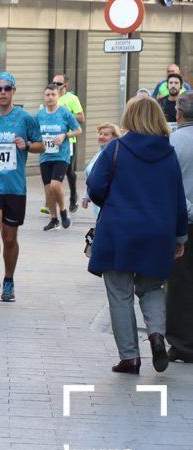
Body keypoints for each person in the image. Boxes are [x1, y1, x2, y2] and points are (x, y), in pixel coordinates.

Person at [87, 97, 187, 375]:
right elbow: (178, 199)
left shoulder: (116, 149)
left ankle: (130, 357)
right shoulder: (168, 154)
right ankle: (156, 334)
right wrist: (179, 238)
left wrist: (111, 201)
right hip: (157, 234)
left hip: (118, 231)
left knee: (120, 294)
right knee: (152, 288)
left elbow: (95, 186)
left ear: (129, 117)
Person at [0, 72, 44, 303]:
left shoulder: (25, 118)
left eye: (7, 88)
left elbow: (40, 145)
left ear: (14, 91)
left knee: (10, 237)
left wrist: (27, 145)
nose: (3, 92)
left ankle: (9, 280)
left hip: (14, 185)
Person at [166, 93, 193, 363]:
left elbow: (169, 185)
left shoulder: (173, 143)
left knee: (180, 284)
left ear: (178, 114)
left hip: (182, 221)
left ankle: (182, 344)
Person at [36, 84, 82, 230]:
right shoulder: (39, 115)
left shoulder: (65, 113)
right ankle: (54, 219)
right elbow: (33, 132)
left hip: (61, 155)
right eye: (47, 95)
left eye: (53, 95)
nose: (50, 97)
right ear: (44, 97)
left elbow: (78, 130)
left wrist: (65, 135)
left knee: (56, 185)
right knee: (48, 189)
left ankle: (63, 211)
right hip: (45, 156)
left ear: (58, 96)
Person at [51, 73, 85, 213]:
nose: (55, 86)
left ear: (65, 85)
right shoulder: (51, 97)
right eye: (53, 83)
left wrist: (66, 115)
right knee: (52, 170)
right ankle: (50, 202)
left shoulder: (72, 98)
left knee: (68, 170)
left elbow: (81, 117)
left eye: (58, 84)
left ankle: (73, 196)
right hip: (52, 141)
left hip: (68, 140)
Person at [81, 122, 121, 218]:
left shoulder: (115, 155)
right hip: (98, 202)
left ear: (114, 137)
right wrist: (87, 195)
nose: (101, 136)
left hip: (108, 203)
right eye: (100, 134)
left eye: (106, 134)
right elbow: (92, 176)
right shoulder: (99, 153)